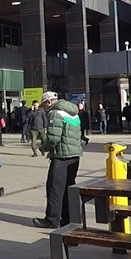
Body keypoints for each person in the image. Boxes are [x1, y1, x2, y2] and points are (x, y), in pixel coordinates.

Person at [32, 92, 82, 229]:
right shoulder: (73, 111)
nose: (44, 108)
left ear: (48, 102)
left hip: (61, 156)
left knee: (54, 188)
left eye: (44, 105)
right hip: (74, 155)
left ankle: (51, 219)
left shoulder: (55, 113)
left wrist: (44, 147)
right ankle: (68, 218)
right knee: (68, 187)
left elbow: (54, 138)